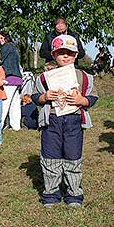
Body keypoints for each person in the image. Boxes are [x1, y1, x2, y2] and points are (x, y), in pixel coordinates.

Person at [32, 34, 98, 208]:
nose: (65, 56)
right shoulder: (44, 78)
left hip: (74, 122)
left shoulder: (85, 77)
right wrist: (44, 97)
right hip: (51, 122)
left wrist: (82, 101)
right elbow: (34, 96)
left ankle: (74, 193)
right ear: (53, 55)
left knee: (73, 157)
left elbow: (93, 97)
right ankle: (51, 193)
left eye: (69, 52)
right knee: (50, 157)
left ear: (76, 55)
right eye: (61, 53)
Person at [0, 30, 23, 131]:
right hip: (17, 78)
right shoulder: (14, 47)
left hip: (9, 78)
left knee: (4, 103)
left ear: (6, 37)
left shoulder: (6, 47)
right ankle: (16, 126)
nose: (0, 40)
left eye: (1, 37)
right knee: (15, 104)